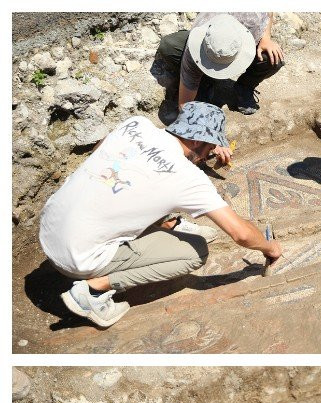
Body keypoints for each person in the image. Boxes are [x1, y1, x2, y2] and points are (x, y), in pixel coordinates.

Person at [39, 102, 283, 328]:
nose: (209, 152)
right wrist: (269, 248)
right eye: (210, 146)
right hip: (75, 259)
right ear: (200, 142)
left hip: (49, 226)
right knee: (195, 251)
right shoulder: (187, 178)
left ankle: (166, 224)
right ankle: (92, 292)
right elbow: (240, 234)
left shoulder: (136, 124)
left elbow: (99, 150)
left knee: (133, 185)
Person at [157, 12, 285, 165]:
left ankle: (243, 88)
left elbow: (268, 11)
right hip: (204, 40)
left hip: (245, 30)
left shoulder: (253, 19)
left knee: (273, 57)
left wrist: (266, 38)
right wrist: (211, 139)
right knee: (170, 45)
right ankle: (204, 80)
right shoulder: (198, 43)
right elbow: (185, 105)